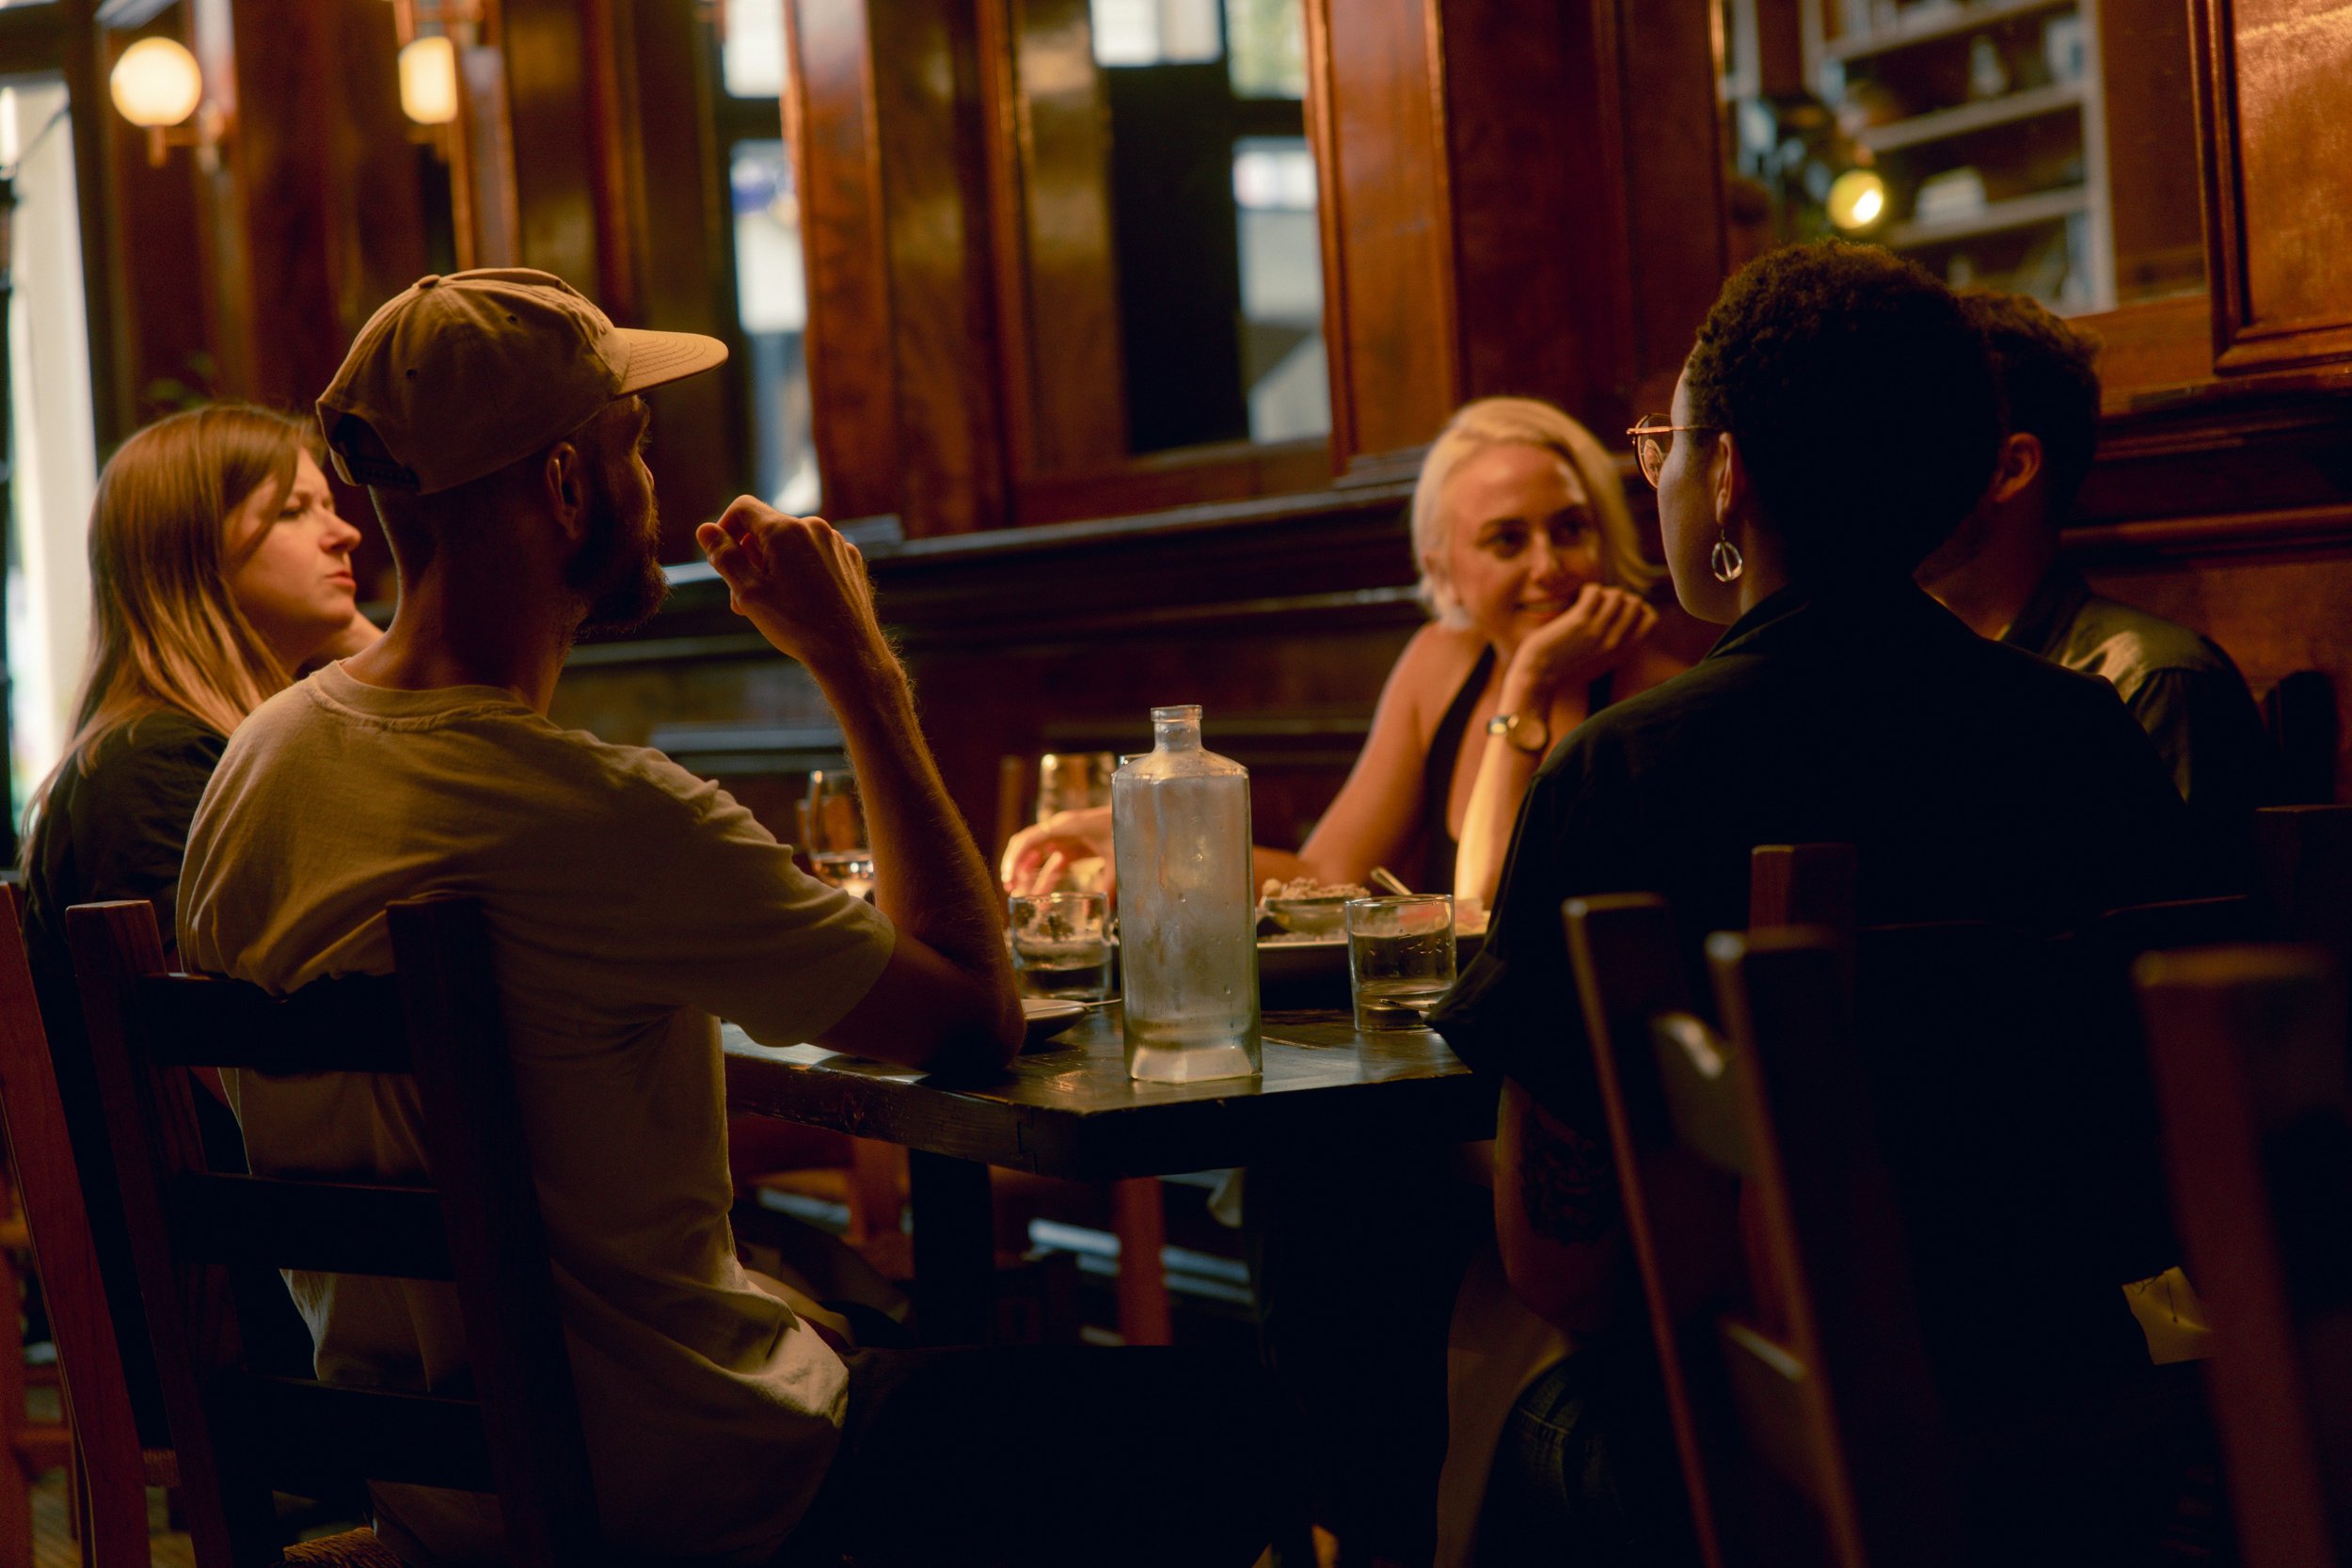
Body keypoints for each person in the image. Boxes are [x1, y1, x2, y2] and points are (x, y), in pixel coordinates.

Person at [175, 268, 1284, 1568]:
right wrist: (858, 662)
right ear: (569, 486)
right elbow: (973, 1014)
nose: (659, 482)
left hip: (441, 1494)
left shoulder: (257, 768)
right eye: (636, 444)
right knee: (1245, 1420)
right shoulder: (599, 814)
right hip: (714, 1493)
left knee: (868, 1328)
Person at [1434, 242, 2203, 1564]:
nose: (1663, 473)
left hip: (1753, 1453)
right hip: (2080, 1414)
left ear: (1726, 472)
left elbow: (1562, 1264)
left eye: (1669, 445)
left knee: (1514, 1412)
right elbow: (2161, 1180)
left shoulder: (1625, 767)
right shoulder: (2085, 736)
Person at [20, 402, 378, 1447]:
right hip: (236, 1314)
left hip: (275, 1269)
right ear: (193, 556)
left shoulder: (216, 753)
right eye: (295, 508)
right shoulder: (155, 773)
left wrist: (366, 645)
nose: (346, 529)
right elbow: (232, 1087)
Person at [1003, 396, 1689, 906]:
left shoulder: (1655, 697)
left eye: (1570, 528)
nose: (1550, 566)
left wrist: (1531, 682)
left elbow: (1493, 911)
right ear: (1443, 568)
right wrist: (1145, 835)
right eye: (1507, 540)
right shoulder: (1440, 661)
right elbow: (1330, 873)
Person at [1917, 289, 2274, 820]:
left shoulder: (2151, 684)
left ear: (2011, 469)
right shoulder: (1899, 675)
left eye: (1914, 440)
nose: (1879, 470)